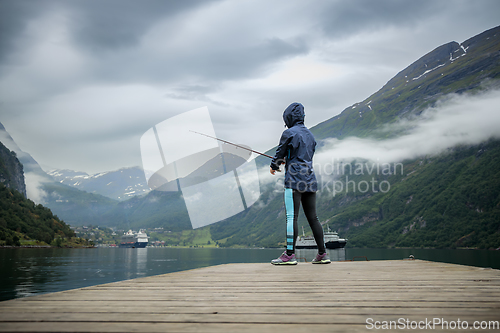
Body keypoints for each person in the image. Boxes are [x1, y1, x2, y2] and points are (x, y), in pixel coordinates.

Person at [270, 102, 330, 265]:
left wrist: (274, 165)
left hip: (294, 180)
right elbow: (304, 155)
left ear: (288, 117)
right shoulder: (310, 135)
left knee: (292, 217)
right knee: (313, 217)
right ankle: (322, 254)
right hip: (310, 179)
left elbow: (280, 153)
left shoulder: (288, 133)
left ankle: (289, 255)